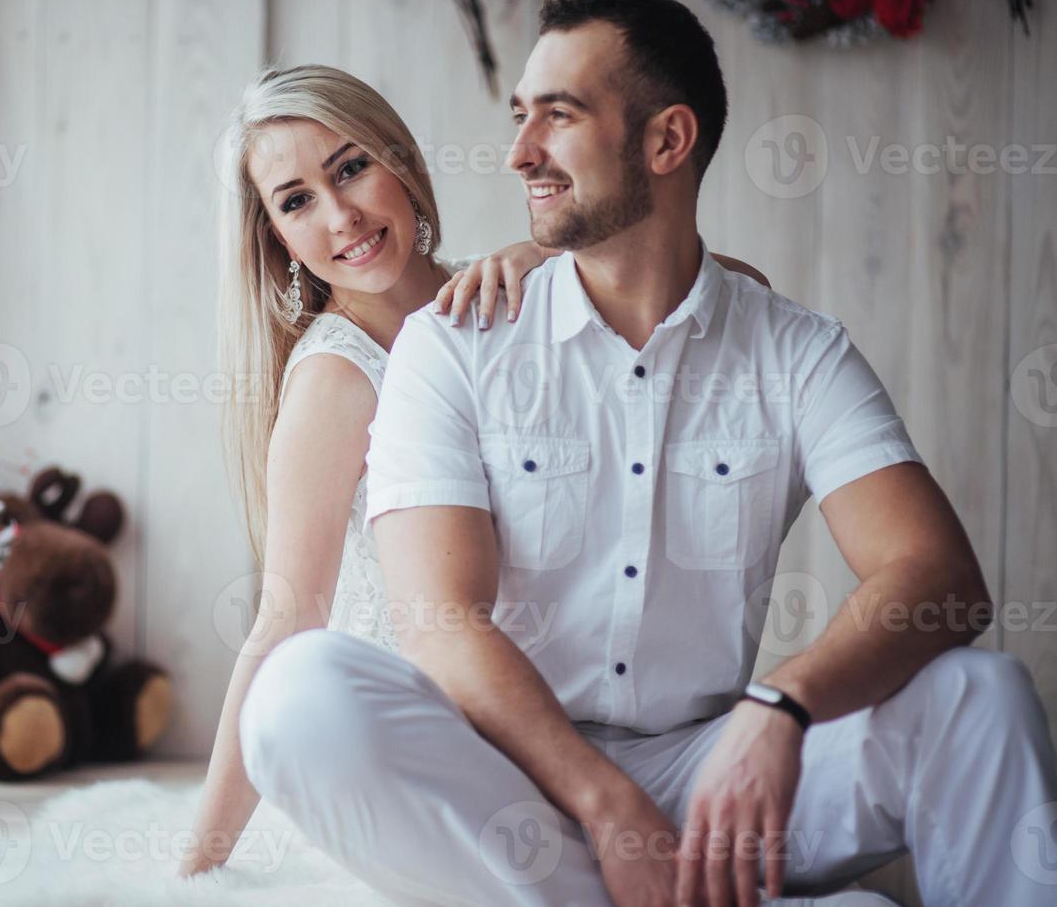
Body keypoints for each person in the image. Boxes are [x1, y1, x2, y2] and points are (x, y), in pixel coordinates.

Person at [238, 0, 1057, 907]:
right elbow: (438, 622)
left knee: (981, 697)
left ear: (667, 142)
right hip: (513, 780)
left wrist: (778, 708)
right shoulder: (452, 341)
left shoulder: (794, 350)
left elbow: (938, 577)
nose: (518, 153)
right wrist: (607, 807)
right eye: (520, 116)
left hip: (716, 781)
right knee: (299, 692)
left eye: (560, 115)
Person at [181, 62, 771, 880]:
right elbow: (284, 622)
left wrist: (552, 253)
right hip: (414, 754)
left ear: (401, 161)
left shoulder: (509, 295)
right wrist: (193, 868)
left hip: (557, 730)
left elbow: (745, 290)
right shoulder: (335, 380)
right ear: (276, 238)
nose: (341, 214)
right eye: (297, 201)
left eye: (351, 167)